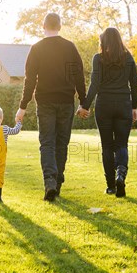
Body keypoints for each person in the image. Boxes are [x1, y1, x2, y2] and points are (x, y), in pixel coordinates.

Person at [15, 13, 86, 201]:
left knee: (47, 142)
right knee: (62, 143)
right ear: (60, 26)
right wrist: (84, 102)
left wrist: (23, 106)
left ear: (43, 26)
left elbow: (30, 80)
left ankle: (50, 182)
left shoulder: (36, 49)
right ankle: (57, 182)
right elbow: (79, 76)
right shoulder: (70, 47)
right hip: (65, 102)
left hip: (45, 102)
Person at [77, 27, 137, 198]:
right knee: (121, 144)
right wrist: (134, 107)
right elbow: (134, 84)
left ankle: (111, 186)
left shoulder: (99, 58)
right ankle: (121, 174)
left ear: (103, 41)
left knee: (107, 146)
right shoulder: (128, 58)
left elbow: (94, 85)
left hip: (104, 105)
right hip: (123, 105)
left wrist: (85, 106)